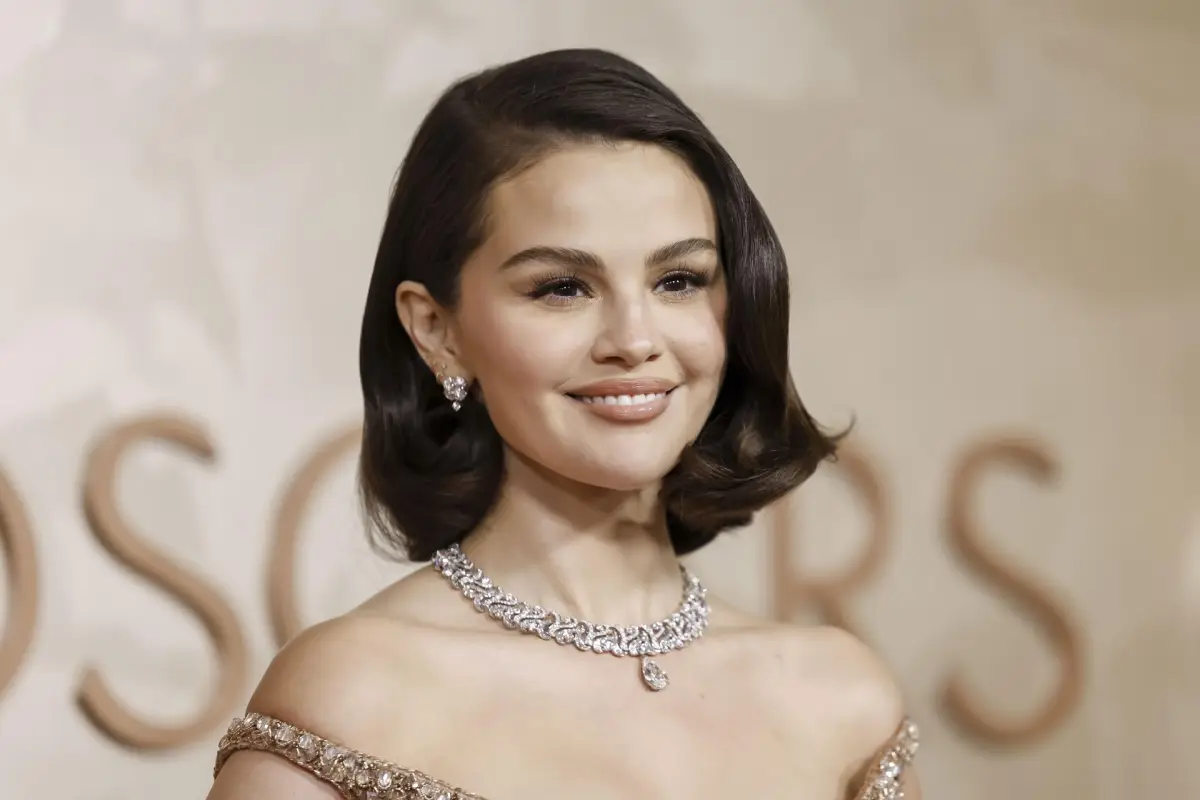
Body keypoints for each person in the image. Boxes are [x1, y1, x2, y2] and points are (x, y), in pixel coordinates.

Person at [207, 47, 920, 800]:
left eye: (679, 280)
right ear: (436, 329)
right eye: (562, 288)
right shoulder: (354, 697)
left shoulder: (841, 704)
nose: (635, 339)